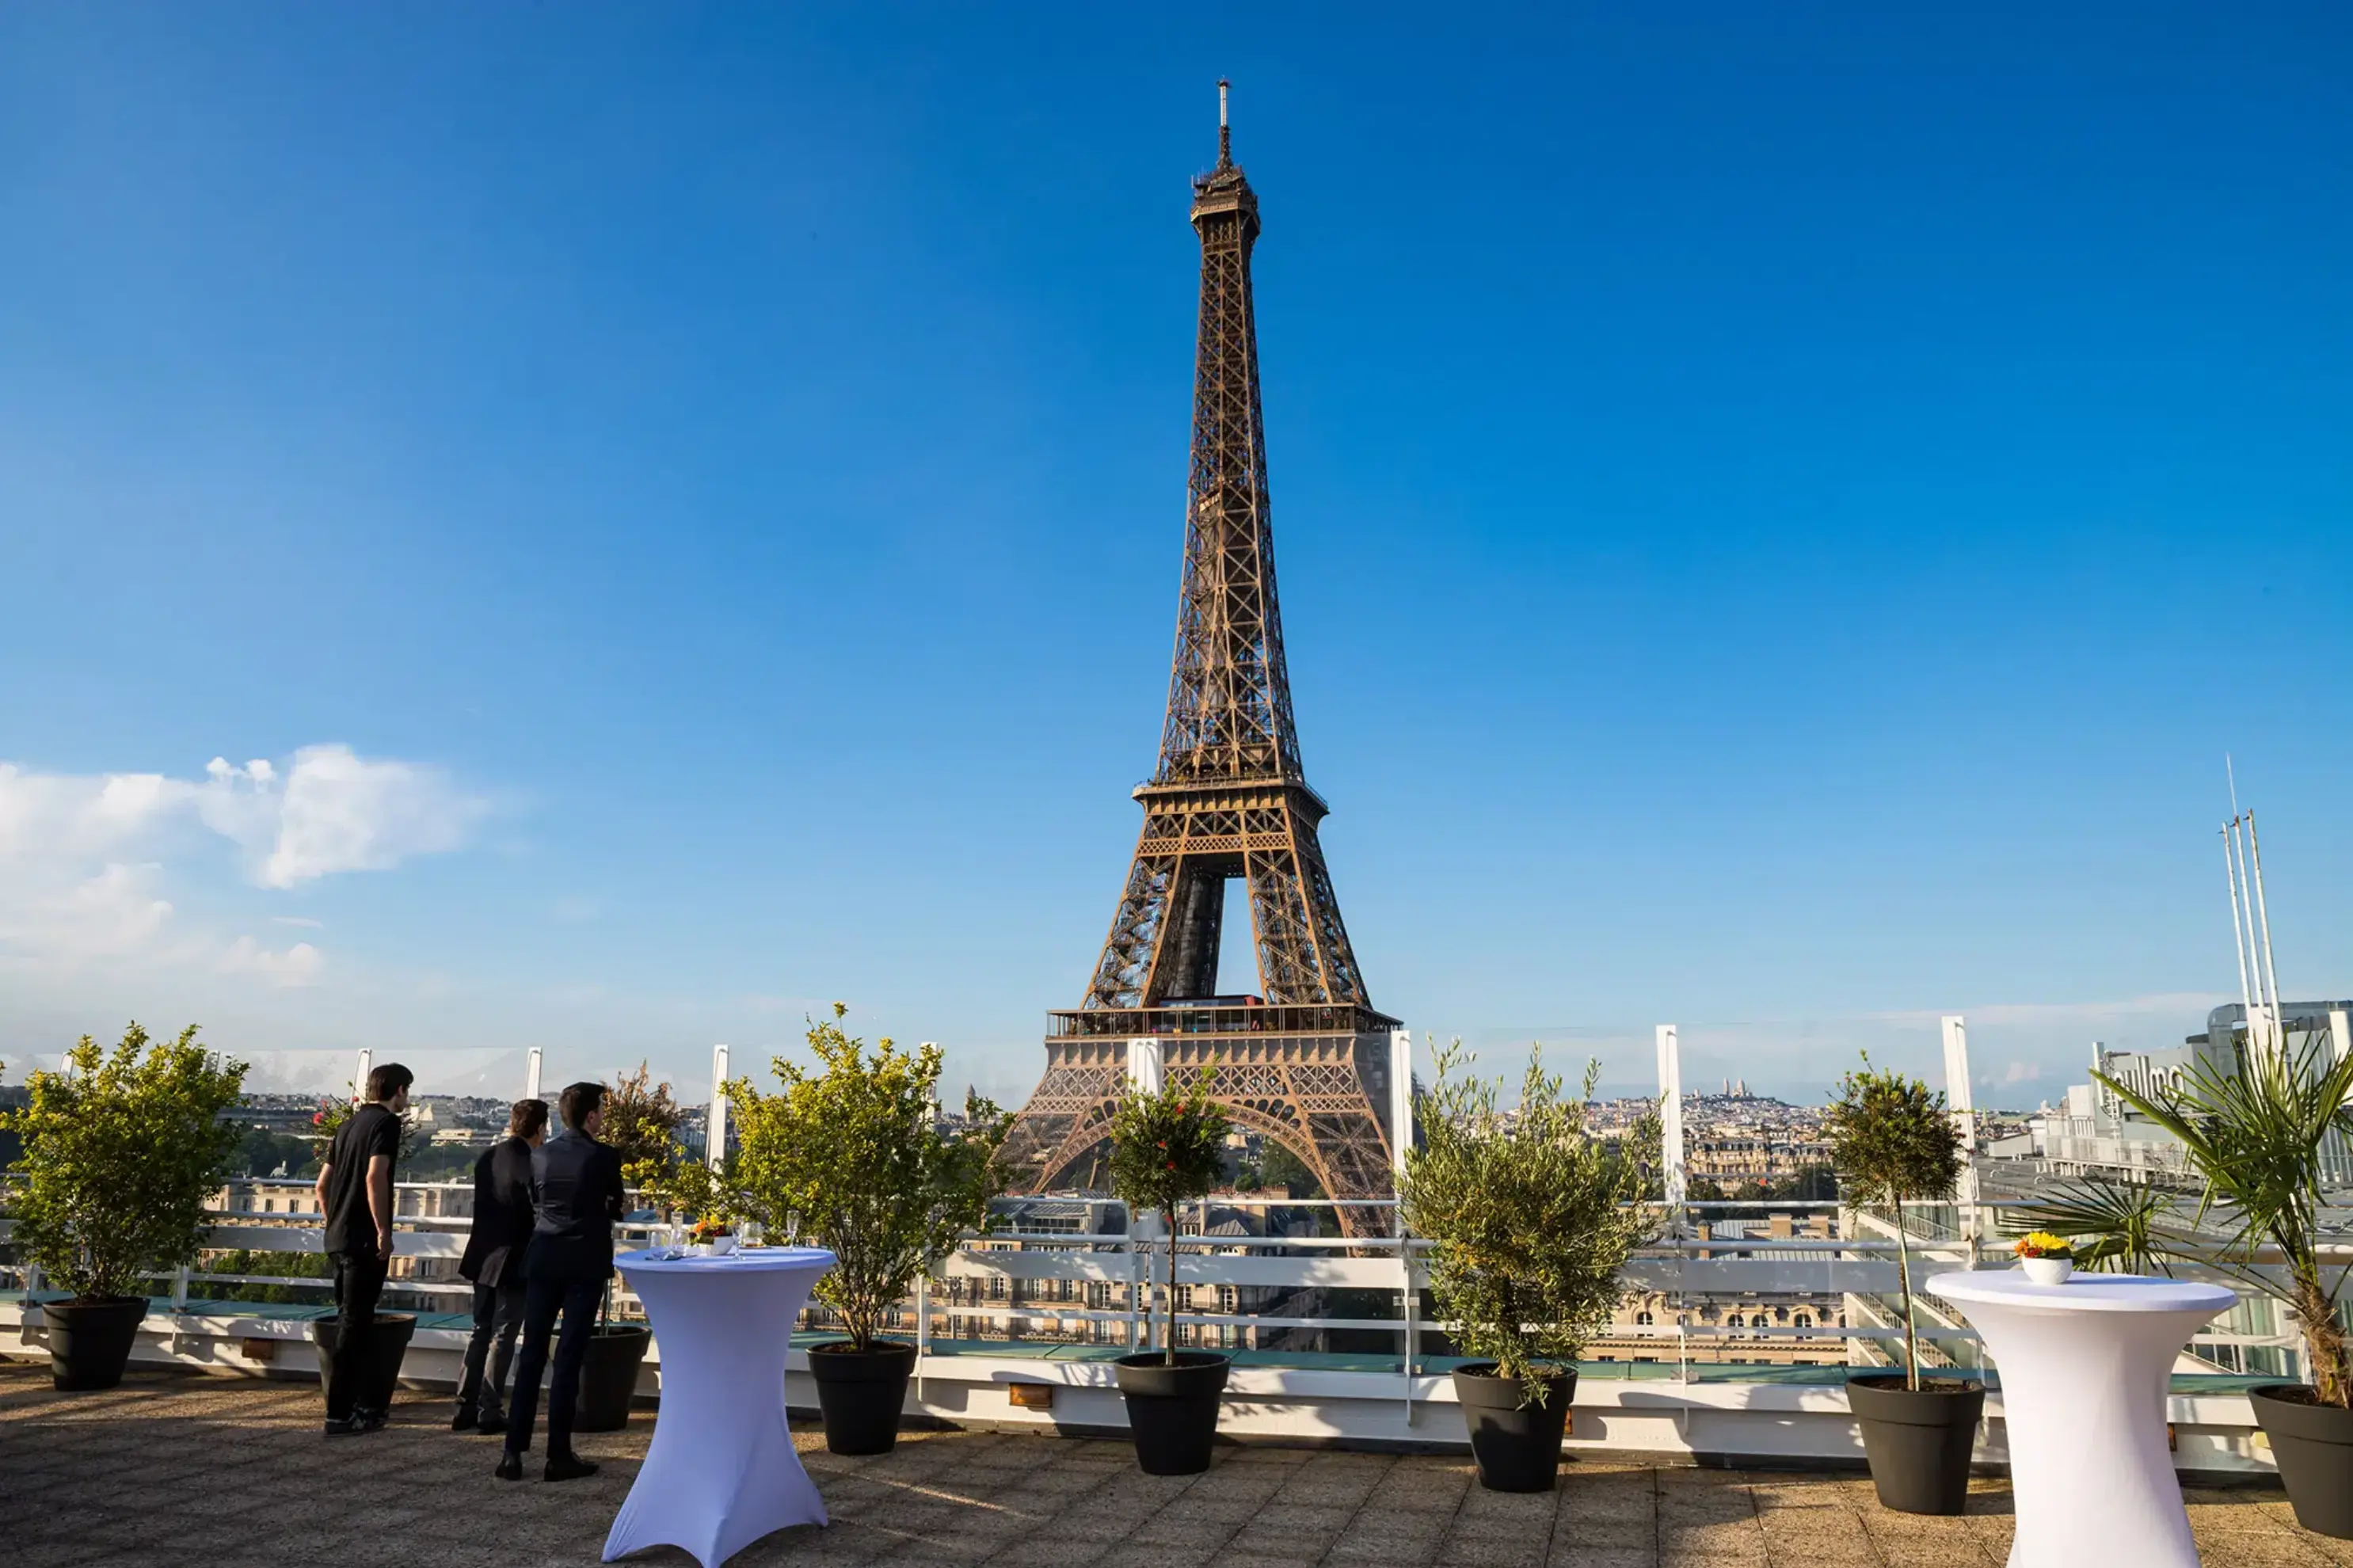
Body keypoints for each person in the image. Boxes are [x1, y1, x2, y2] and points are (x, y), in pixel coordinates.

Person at [497, 1080, 626, 1482]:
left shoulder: (541, 1155)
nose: (603, 1117)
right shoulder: (604, 1157)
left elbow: (538, 1202)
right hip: (584, 1261)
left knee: (532, 1351)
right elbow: (616, 1206)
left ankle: (512, 1453)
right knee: (569, 1356)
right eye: (602, 1111)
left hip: (543, 1258)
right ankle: (558, 1453)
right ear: (590, 1116)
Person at [312, 1061, 413, 1437]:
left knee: (346, 1320)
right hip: (362, 1242)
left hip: (337, 1239)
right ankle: (341, 1413)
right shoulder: (386, 1124)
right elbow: (375, 1176)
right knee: (355, 1324)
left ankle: (350, 1406)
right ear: (398, 1090)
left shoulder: (346, 1125)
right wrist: (383, 1230)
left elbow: (322, 1185)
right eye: (407, 1091)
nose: (407, 1099)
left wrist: (333, 1220)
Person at [451, 1097, 549, 1433]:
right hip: (514, 1260)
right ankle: (489, 1410)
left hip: (482, 1256)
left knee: (480, 1330)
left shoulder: (487, 1157)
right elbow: (539, 1214)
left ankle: (464, 1406)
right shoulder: (534, 1163)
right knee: (504, 1334)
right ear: (540, 1128)